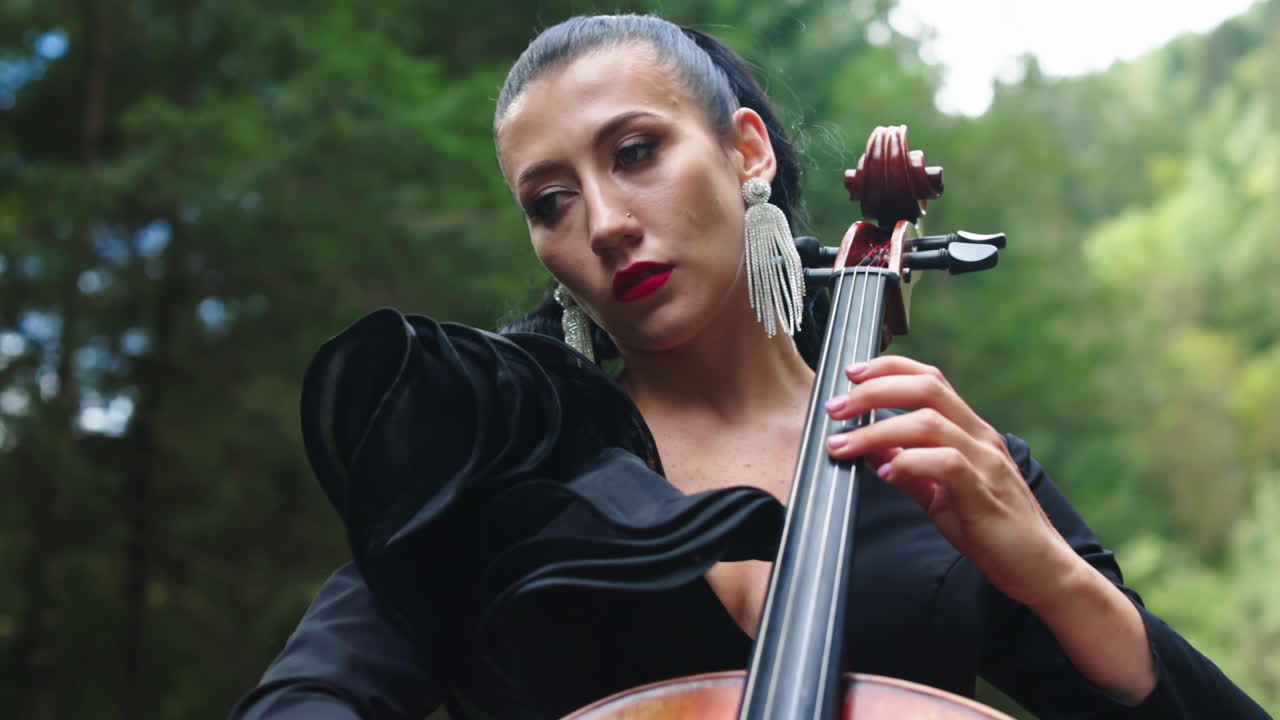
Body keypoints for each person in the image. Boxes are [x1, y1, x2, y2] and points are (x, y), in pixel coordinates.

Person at [230, 14, 1269, 720]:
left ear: (746, 153)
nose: (602, 222)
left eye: (634, 151)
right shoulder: (505, 472)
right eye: (548, 201)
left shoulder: (941, 464)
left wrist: (1047, 572)